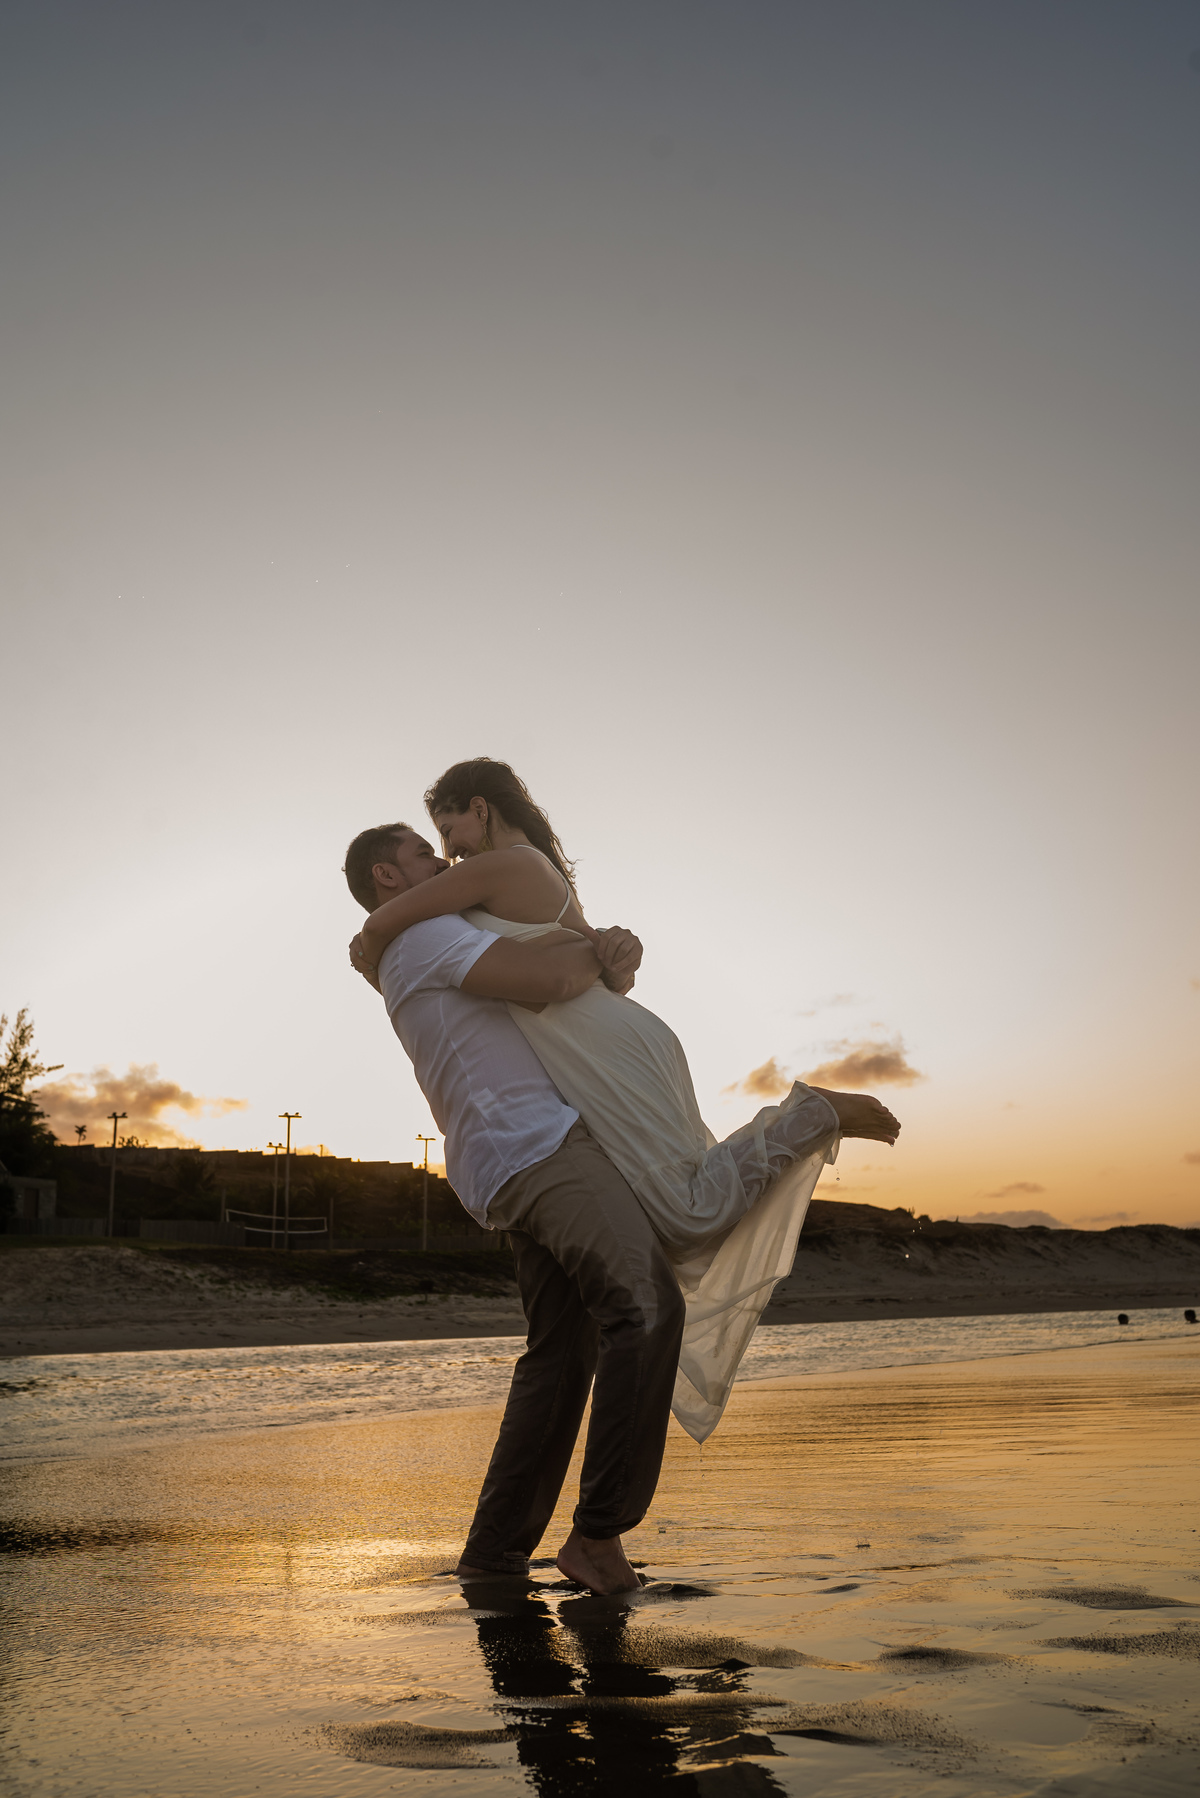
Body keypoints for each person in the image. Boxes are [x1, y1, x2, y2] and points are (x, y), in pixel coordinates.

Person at [350, 759, 900, 1440]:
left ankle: (813, 1114)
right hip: (599, 1046)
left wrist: (367, 946)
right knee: (679, 1206)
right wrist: (615, 956)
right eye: (431, 844)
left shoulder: (502, 867)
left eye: (448, 828)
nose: (447, 853)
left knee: (685, 1212)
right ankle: (810, 1117)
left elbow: (392, 922)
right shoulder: (504, 882)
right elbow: (587, 963)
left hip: (598, 1047)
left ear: (481, 809)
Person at [343, 819, 681, 1594]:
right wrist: (597, 948)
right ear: (388, 877)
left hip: (512, 1157)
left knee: (562, 1355)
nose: (444, 861)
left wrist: (606, 956)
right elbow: (553, 980)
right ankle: (599, 1536)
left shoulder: (418, 941)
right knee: (645, 1305)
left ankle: (494, 1556)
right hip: (539, 1150)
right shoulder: (423, 937)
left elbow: (560, 989)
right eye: (422, 853)